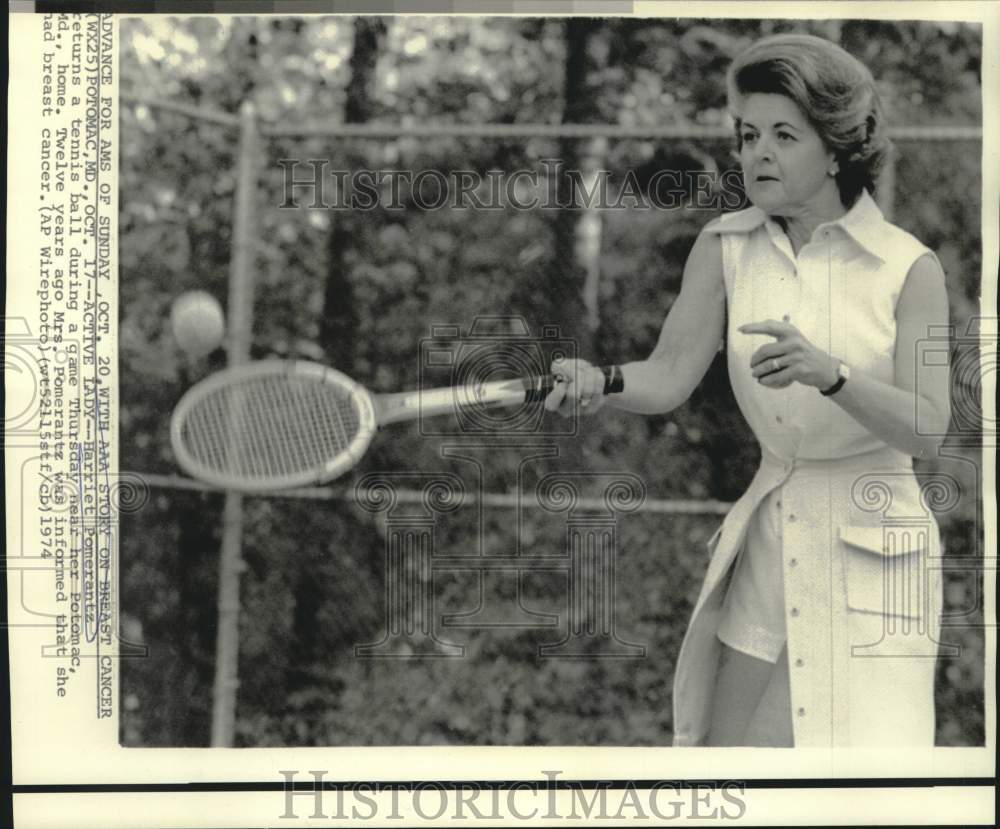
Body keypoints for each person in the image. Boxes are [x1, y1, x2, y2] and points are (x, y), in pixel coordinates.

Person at [544, 33, 951, 748]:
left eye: (783, 135)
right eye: (747, 134)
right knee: (729, 772)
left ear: (836, 149)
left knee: (865, 789)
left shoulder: (908, 267)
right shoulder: (726, 245)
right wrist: (601, 381)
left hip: (880, 554)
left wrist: (833, 374)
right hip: (771, 537)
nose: (757, 152)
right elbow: (668, 372)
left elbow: (928, 427)